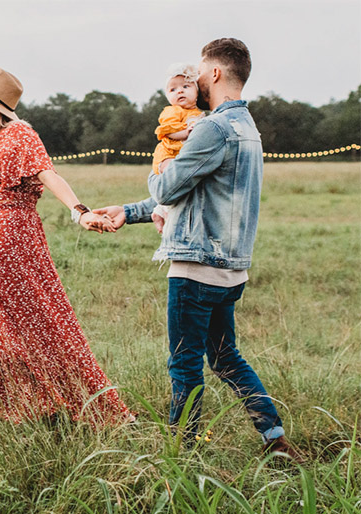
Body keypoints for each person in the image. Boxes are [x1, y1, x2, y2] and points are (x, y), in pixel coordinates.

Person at [93, 38, 304, 462]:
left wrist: (161, 169)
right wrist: (130, 211)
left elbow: (170, 186)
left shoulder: (212, 127)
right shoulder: (247, 128)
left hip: (196, 267)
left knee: (184, 363)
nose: (194, 80)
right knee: (225, 357)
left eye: (200, 72)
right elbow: (195, 193)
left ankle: (180, 452)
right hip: (231, 269)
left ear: (216, 74)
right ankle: (274, 438)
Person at [0, 67, 132, 425]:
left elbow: (48, 173)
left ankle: (61, 402)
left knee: (38, 320)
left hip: (10, 237)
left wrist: (79, 211)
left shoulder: (20, 134)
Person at [151, 63, 205, 234]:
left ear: (197, 91)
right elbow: (167, 131)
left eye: (186, 86)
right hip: (168, 153)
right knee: (173, 176)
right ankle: (165, 211)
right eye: (173, 90)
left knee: (182, 181)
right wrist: (185, 133)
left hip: (180, 154)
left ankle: (160, 210)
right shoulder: (172, 111)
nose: (179, 91)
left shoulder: (198, 113)